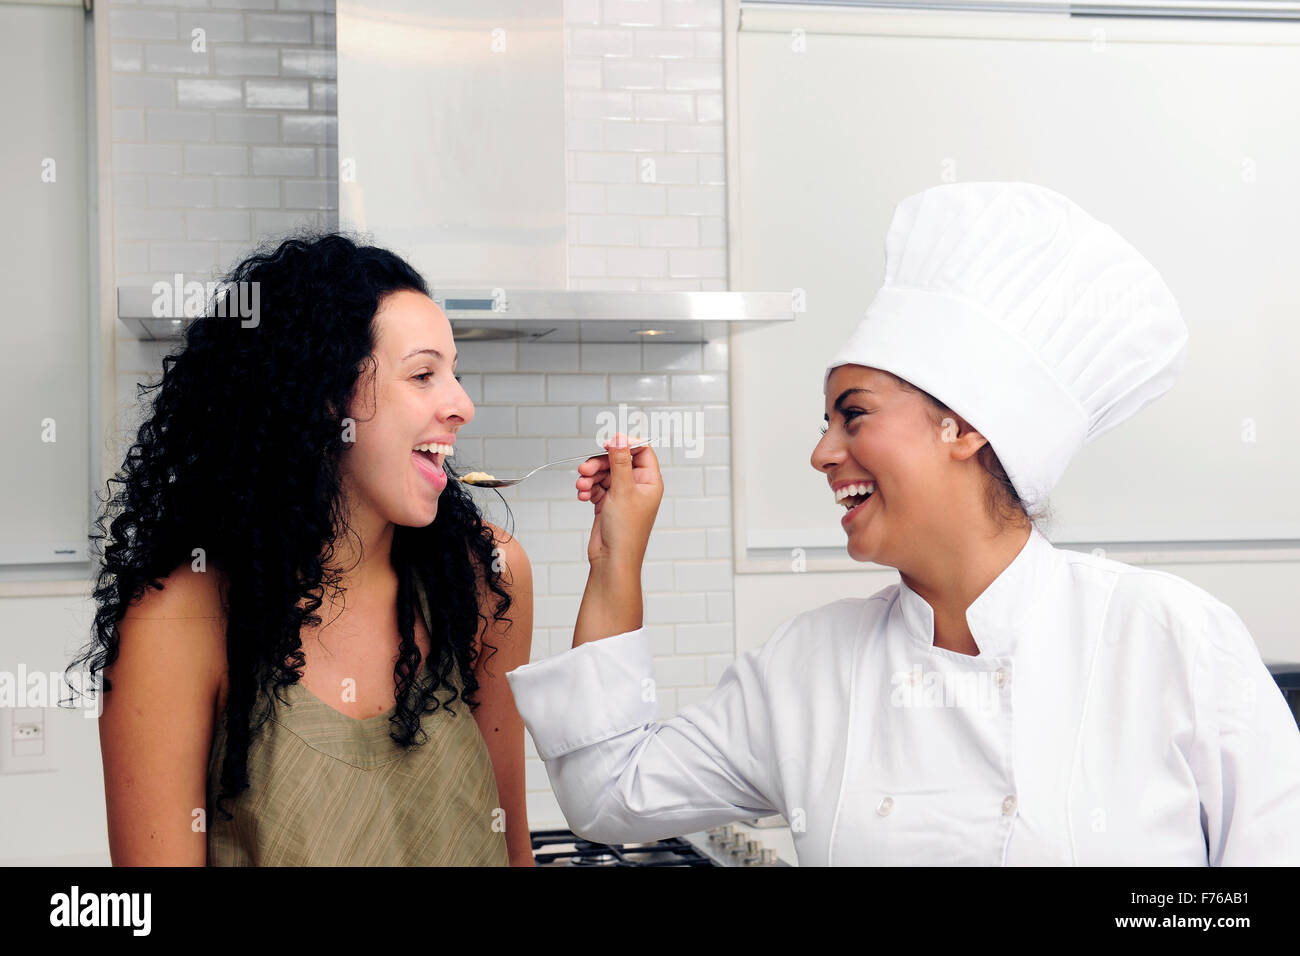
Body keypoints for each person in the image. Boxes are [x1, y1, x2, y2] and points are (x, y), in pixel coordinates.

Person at [505, 182, 1300, 865]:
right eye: (826, 422)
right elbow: (610, 795)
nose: (822, 452)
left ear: (964, 427)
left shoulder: (1171, 638)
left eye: (853, 416)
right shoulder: (808, 666)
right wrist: (617, 554)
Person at [73, 233, 535, 865]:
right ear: (324, 396)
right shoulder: (177, 624)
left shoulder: (485, 575)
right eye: (424, 374)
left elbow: (511, 847)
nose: (461, 405)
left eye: (455, 374)